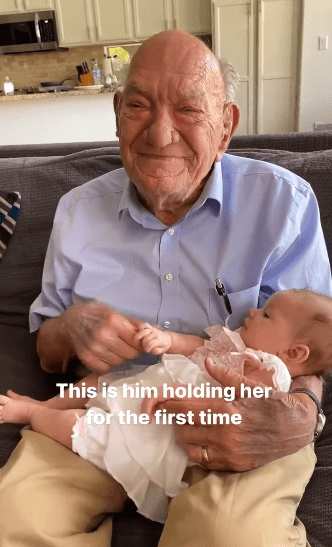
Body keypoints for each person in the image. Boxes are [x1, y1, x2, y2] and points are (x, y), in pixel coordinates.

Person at [0, 28, 331, 547]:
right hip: (108, 413)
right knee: (11, 520)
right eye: (139, 105)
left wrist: (300, 415)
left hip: (232, 421)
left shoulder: (282, 206)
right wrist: (70, 328)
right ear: (115, 114)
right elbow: (45, 350)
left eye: (189, 110)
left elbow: (310, 352)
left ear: (227, 126)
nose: (159, 135)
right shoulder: (78, 211)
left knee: (230, 536)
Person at [0, 288, 331, 534]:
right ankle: (39, 405)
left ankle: (33, 415)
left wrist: (303, 407)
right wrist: (166, 340)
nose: (254, 311)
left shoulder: (269, 369)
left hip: (183, 429)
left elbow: (252, 404)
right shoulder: (235, 341)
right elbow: (196, 345)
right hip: (141, 387)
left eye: (267, 314)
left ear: (295, 352)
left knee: (74, 425)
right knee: (96, 383)